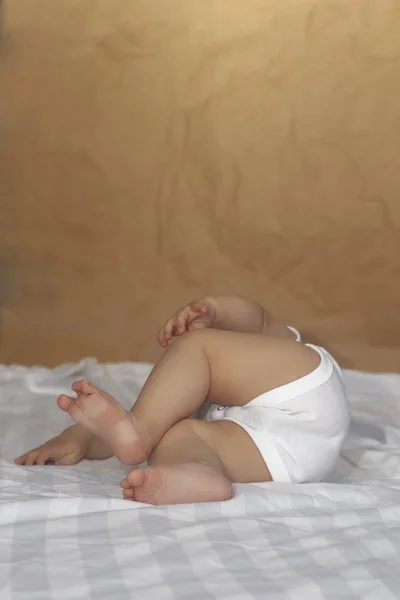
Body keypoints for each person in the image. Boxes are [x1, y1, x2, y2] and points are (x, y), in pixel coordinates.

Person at [15, 296, 350, 505]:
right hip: (293, 457)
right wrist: (82, 437)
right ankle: (198, 474)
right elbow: (145, 429)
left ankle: (138, 430)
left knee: (198, 347)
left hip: (306, 386)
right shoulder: (190, 407)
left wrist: (216, 310)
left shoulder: (285, 349)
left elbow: (258, 318)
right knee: (176, 436)